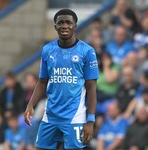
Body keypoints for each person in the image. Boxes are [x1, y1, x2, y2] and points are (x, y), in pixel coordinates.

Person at [24, 9, 99, 150]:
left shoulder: (87, 51)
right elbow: (42, 81)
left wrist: (90, 120)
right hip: (50, 115)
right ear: (55, 27)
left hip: (74, 116)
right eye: (61, 23)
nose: (64, 25)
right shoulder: (47, 50)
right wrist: (31, 104)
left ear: (75, 26)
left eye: (68, 22)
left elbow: (91, 88)